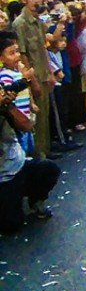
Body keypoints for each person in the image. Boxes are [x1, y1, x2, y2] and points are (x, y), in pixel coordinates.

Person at [0, 66, 59, 233]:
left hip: (16, 165)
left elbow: (26, 125)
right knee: (10, 225)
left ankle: (36, 200)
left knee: (48, 168)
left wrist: (8, 107)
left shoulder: (5, 106)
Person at [12, 0, 53, 158]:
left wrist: (50, 72)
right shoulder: (20, 23)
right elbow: (22, 53)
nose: (36, 0)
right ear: (24, 0)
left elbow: (44, 50)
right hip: (33, 76)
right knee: (36, 118)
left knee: (45, 116)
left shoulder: (37, 21)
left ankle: (47, 150)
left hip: (44, 72)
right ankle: (39, 154)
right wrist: (32, 79)